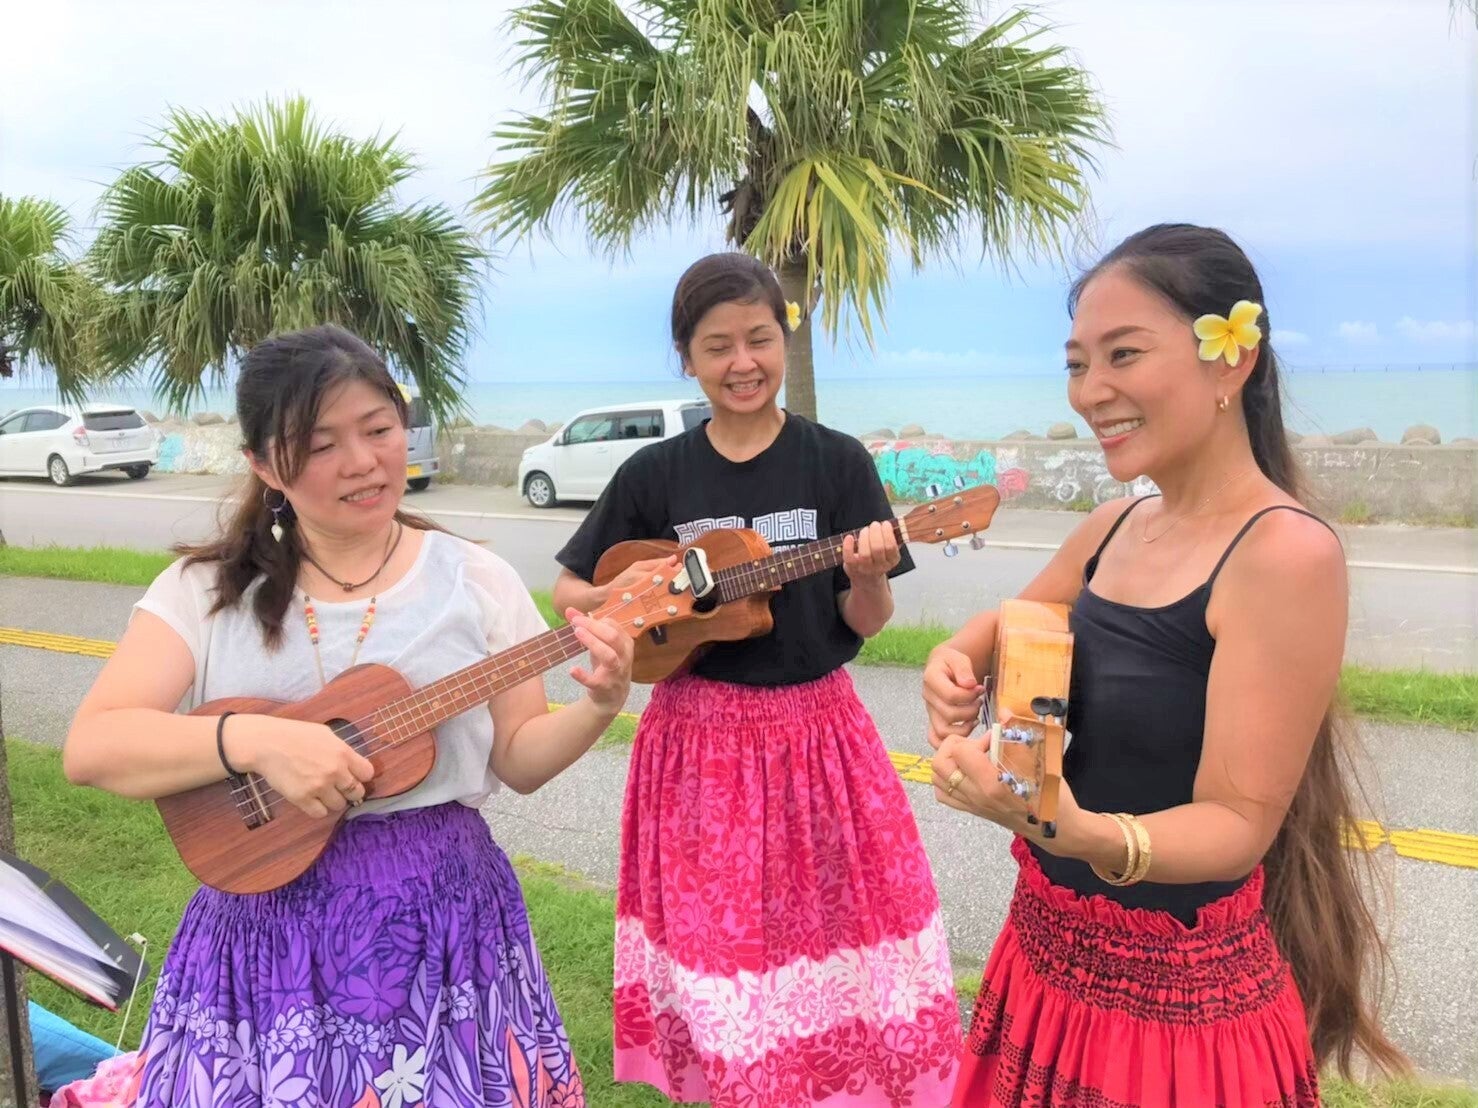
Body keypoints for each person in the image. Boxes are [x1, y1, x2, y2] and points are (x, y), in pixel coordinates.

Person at [58, 324, 634, 1107]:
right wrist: (256, 742)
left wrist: (600, 703)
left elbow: (521, 758)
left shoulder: (477, 579)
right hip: (265, 931)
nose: (362, 462)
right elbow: (93, 745)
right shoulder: (205, 591)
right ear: (265, 465)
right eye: (321, 443)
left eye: (379, 429)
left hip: (442, 921)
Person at [923, 223, 1407, 1107]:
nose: (1090, 392)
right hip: (1043, 960)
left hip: (1177, 1021)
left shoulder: (1283, 554)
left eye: (1124, 354)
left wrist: (1075, 830)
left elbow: (1236, 822)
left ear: (1231, 361)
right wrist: (956, 658)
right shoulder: (1113, 527)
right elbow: (1018, 621)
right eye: (1078, 364)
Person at [551, 253, 961, 1106]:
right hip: (696, 739)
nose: (743, 362)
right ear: (687, 358)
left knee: (843, 933)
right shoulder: (654, 474)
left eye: (760, 339)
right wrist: (639, 593)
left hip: (818, 734)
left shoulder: (835, 462)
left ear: (785, 338)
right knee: (723, 951)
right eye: (717, 346)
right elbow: (570, 589)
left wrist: (870, 575)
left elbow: (865, 621)